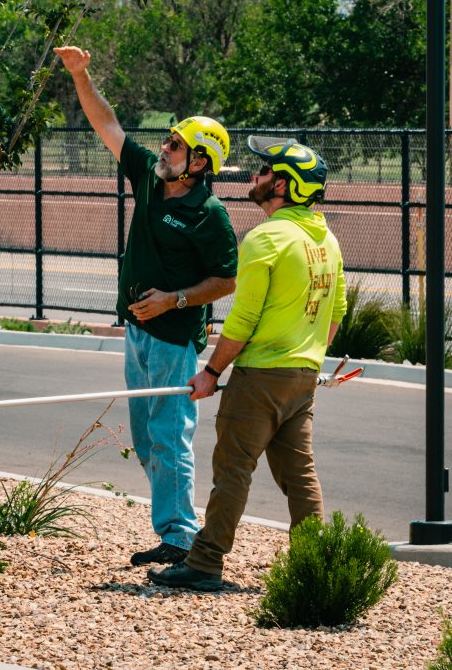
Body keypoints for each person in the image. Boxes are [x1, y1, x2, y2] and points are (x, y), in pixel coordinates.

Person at [54, 46, 238, 566]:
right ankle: (173, 526)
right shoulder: (150, 180)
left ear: (200, 162)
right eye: (169, 139)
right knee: (145, 436)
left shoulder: (210, 214)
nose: (165, 146)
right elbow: (107, 124)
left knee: (167, 434)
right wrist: (81, 74)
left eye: (176, 144)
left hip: (174, 338)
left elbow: (226, 279)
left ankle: (181, 536)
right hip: (137, 333)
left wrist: (174, 300)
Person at [147, 136, 347, 592]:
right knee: (300, 476)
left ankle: (205, 563)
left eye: (263, 172)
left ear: (283, 185)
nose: (253, 177)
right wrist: (308, 357)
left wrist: (211, 373)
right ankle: (313, 565)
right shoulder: (326, 239)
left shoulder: (267, 239)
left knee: (233, 469)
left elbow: (243, 319)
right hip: (303, 377)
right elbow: (335, 312)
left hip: (259, 378)